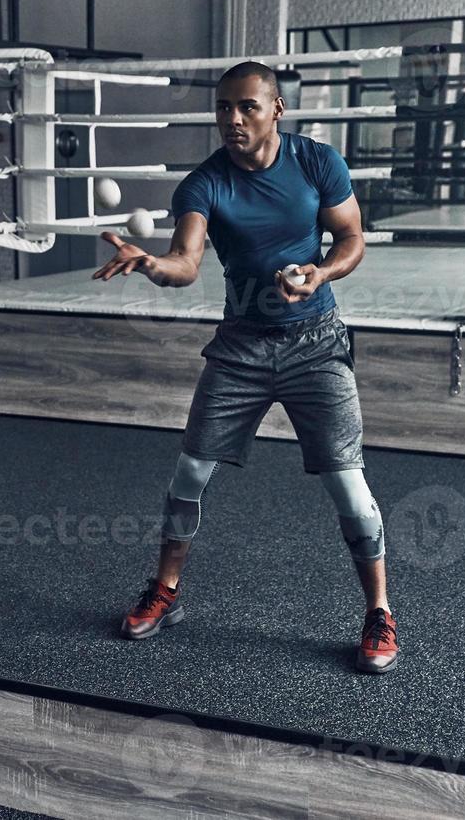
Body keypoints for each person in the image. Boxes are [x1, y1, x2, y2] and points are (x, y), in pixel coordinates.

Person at [93, 61, 398, 674]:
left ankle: (379, 612)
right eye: (223, 108)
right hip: (240, 348)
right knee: (189, 472)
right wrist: (152, 265)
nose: (233, 119)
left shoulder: (317, 162)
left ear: (276, 110)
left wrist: (322, 273)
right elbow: (186, 262)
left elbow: (352, 239)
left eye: (247, 107)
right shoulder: (203, 185)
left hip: (316, 342)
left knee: (348, 484)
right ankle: (166, 591)